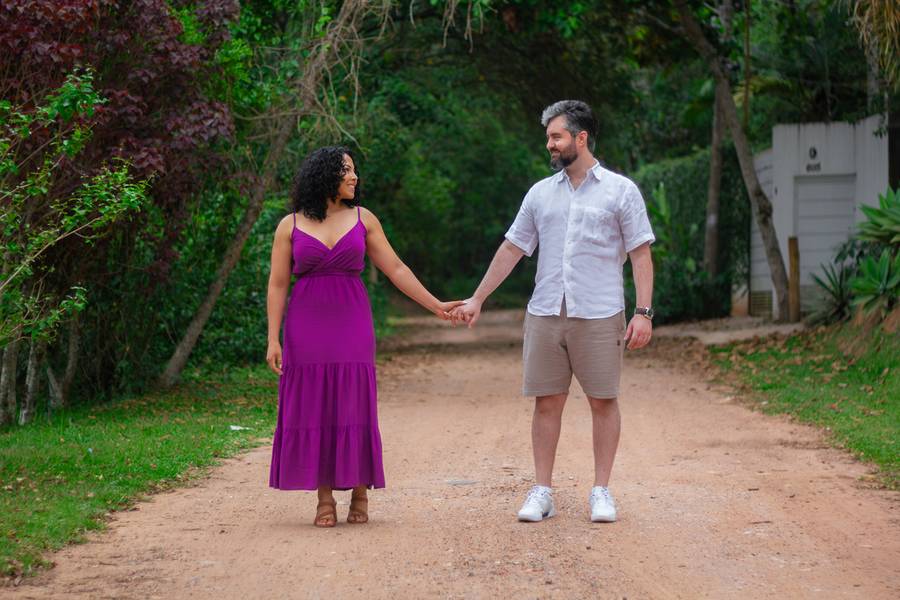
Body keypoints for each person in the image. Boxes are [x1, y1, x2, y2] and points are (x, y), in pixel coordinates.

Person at [450, 100, 655, 523]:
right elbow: (512, 248)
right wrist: (478, 297)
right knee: (547, 402)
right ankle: (542, 490)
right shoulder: (540, 194)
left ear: (581, 138)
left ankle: (601, 490)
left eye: (556, 136)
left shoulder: (621, 191)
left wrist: (644, 312)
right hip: (546, 311)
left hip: (599, 313)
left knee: (603, 401)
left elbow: (640, 254)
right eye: (549, 137)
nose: (550, 145)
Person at [266, 146, 462, 527]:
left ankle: (359, 489)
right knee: (314, 405)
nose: (355, 177)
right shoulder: (289, 225)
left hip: (352, 321)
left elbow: (397, 269)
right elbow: (276, 284)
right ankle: (324, 500)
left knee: (353, 401)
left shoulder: (364, 219)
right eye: (346, 171)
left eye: (355, 171)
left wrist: (435, 305)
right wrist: (273, 339)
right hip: (306, 325)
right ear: (325, 176)